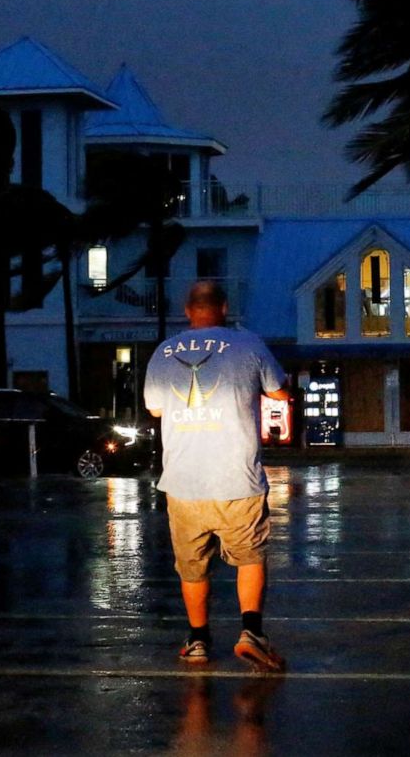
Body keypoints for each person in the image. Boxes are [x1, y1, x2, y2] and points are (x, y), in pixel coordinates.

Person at [144, 280, 289, 671]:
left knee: (192, 566)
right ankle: (251, 632)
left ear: (187, 309)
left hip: (183, 482)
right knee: (250, 557)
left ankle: (198, 640)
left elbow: (155, 410)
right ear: (224, 307)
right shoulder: (249, 344)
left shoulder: (162, 352)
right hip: (236, 479)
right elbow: (280, 392)